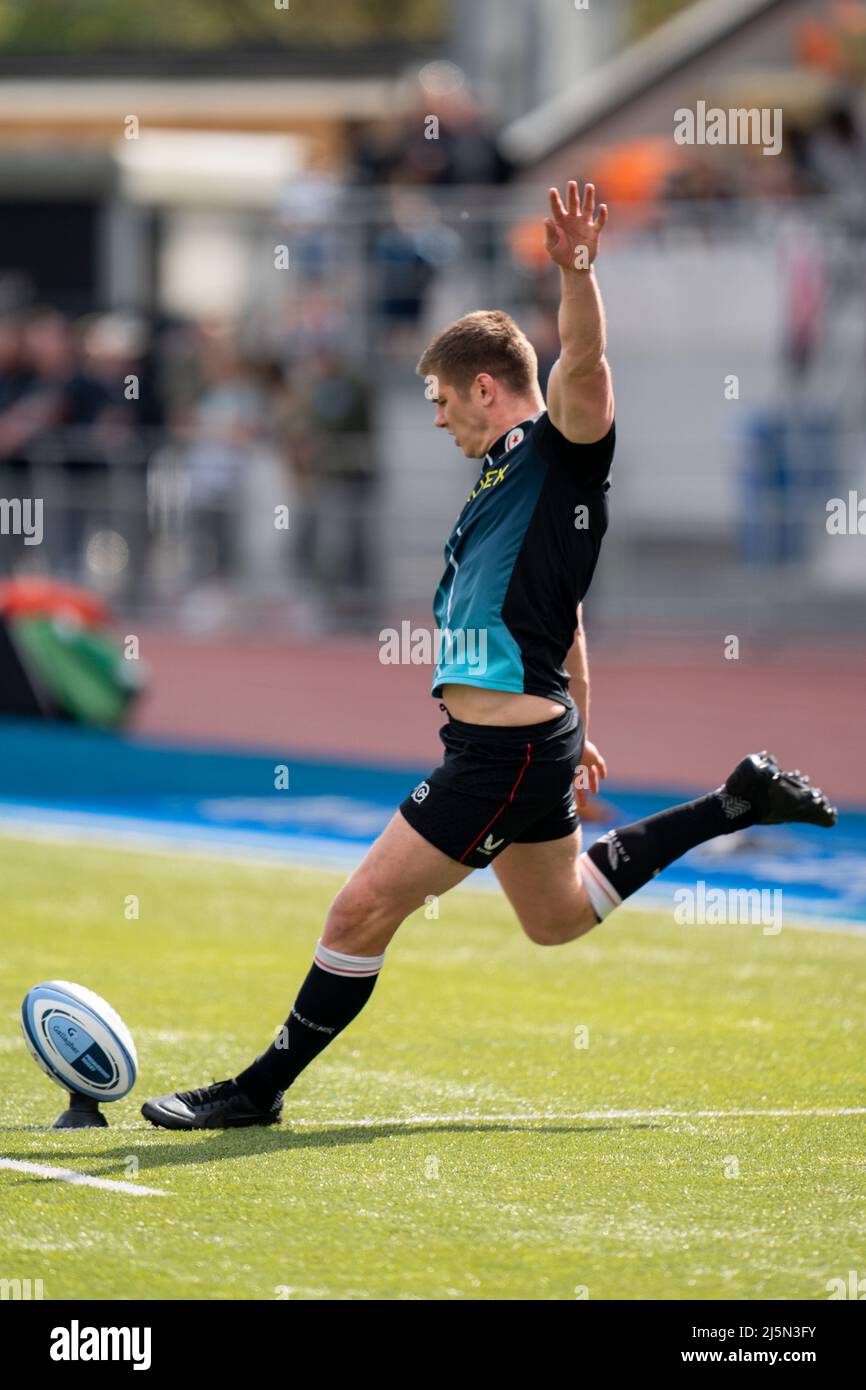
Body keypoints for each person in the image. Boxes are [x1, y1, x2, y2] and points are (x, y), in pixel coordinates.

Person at [142, 182, 836, 1130]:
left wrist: (577, 269)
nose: (436, 418)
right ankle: (736, 801)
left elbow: (586, 360)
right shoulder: (502, 489)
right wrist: (585, 723)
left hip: (503, 757)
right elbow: (568, 618)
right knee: (557, 917)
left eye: (440, 399)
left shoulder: (558, 447)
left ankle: (257, 1092)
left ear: (485, 386)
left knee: (357, 912)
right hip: (526, 742)